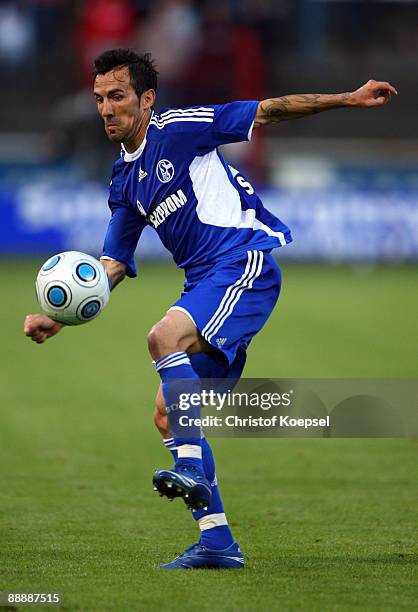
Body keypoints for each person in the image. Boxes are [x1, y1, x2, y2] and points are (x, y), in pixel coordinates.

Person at [24, 48, 396, 569]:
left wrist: (348, 98)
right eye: (100, 99)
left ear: (146, 98)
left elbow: (266, 110)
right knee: (166, 414)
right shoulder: (124, 183)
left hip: (244, 262)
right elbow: (110, 266)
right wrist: (57, 317)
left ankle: (193, 471)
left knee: (162, 338)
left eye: (118, 96)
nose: (107, 109)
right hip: (206, 281)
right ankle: (218, 543)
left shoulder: (177, 128)